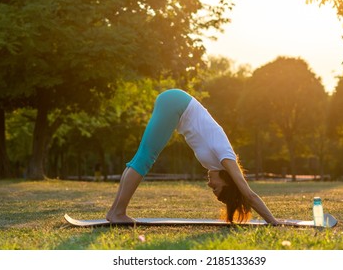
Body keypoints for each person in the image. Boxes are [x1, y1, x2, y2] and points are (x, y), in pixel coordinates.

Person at [106, 89, 279, 225]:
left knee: (142, 157)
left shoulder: (216, 163)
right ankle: (118, 212)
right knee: (145, 157)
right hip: (177, 104)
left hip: (176, 104)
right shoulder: (227, 157)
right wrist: (274, 221)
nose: (209, 184)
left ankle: (115, 211)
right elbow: (249, 195)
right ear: (227, 182)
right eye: (215, 188)